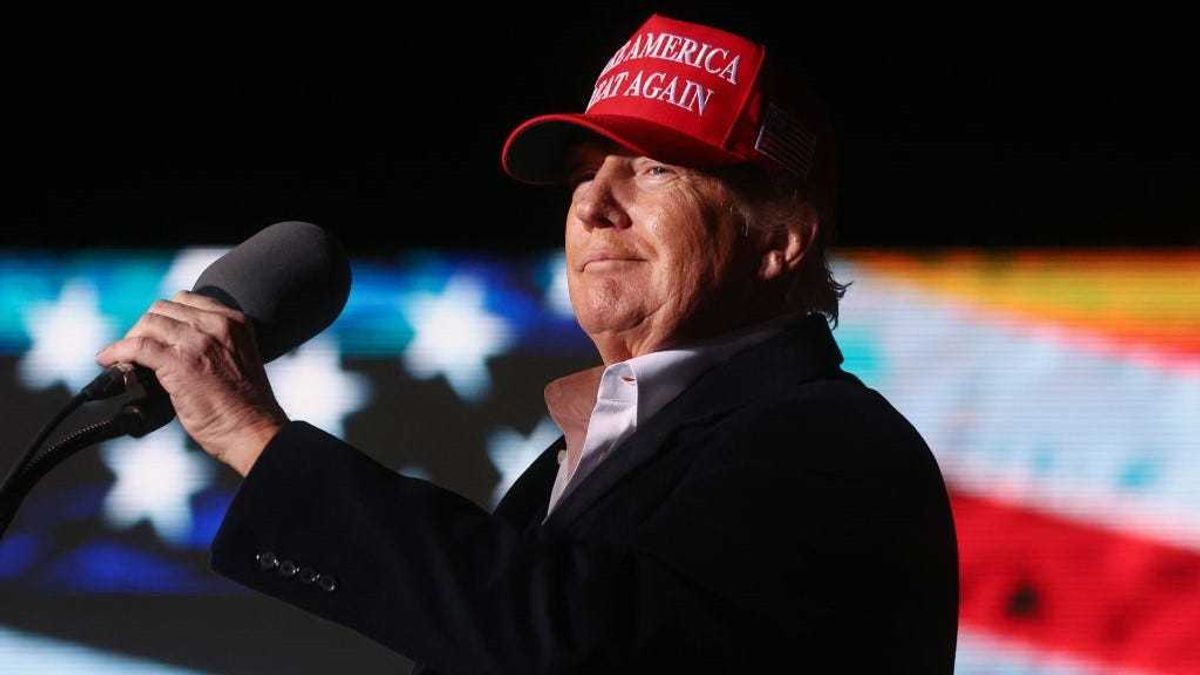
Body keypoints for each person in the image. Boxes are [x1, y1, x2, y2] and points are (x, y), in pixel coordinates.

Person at [95, 13, 959, 673]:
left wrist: (255, 437)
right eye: (586, 173)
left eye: (654, 168)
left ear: (780, 241)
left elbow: (577, 641)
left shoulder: (835, 444)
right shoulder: (575, 457)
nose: (593, 205)